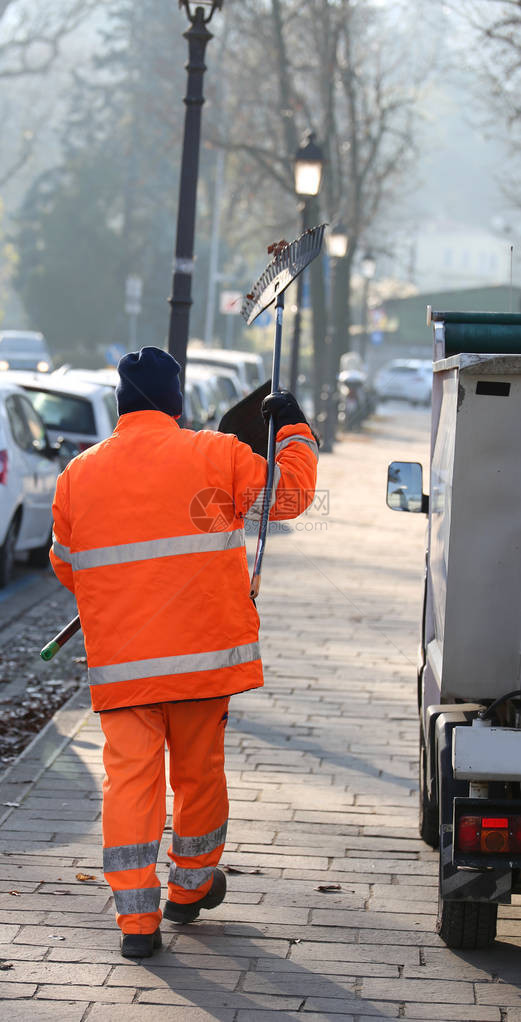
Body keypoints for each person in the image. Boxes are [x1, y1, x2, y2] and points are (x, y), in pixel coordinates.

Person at [50, 346, 318, 959]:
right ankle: (190, 890)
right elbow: (289, 498)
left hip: (124, 668)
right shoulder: (214, 454)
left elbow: (68, 566)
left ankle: (135, 924)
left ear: (121, 405)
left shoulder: (77, 475)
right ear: (174, 403)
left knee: (130, 786)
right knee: (198, 778)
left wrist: (123, 596)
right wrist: (295, 430)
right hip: (202, 661)